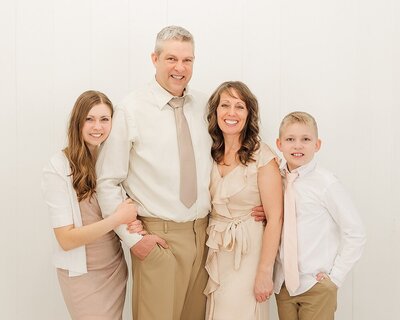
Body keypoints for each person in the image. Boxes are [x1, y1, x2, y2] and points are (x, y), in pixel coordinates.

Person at [96, 26, 265, 320]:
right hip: (157, 238)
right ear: (155, 58)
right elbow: (107, 180)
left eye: (187, 60)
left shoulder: (205, 105)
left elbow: (228, 154)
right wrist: (134, 239)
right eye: (171, 59)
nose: (180, 68)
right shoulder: (131, 108)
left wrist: (253, 201)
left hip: (204, 237)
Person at [42, 90, 143, 319]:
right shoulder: (58, 167)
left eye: (104, 119)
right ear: (78, 122)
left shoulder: (114, 162)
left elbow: (123, 209)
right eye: (90, 119)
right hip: (81, 274)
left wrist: (131, 224)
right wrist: (117, 219)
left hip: (113, 268)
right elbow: (66, 239)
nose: (97, 126)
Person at [273, 111, 367, 320]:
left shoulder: (326, 183)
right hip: (283, 285)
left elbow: (355, 232)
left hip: (316, 285)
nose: (298, 146)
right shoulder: (274, 179)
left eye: (305, 139)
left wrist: (335, 278)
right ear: (279, 144)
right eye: (290, 139)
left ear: (317, 145)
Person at [203, 81, 283, 320]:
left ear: (249, 115)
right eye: (225, 105)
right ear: (215, 112)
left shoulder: (263, 157)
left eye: (240, 107)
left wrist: (264, 272)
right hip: (216, 250)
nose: (231, 113)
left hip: (249, 253)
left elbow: (275, 217)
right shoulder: (208, 153)